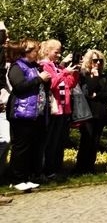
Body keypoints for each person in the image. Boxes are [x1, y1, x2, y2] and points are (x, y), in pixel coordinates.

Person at [6, 39, 50, 190]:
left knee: (32, 147)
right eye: (34, 50)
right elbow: (19, 86)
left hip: (35, 113)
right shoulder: (17, 67)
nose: (37, 53)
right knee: (21, 147)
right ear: (25, 52)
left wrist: (45, 79)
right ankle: (16, 179)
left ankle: (27, 176)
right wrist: (39, 79)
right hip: (21, 113)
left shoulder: (34, 66)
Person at [37, 39, 79, 180]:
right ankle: (46, 170)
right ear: (47, 51)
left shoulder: (56, 66)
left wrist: (73, 72)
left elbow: (69, 84)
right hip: (53, 109)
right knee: (49, 142)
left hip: (63, 108)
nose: (59, 55)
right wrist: (64, 72)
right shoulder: (44, 65)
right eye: (56, 52)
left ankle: (54, 168)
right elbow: (51, 84)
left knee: (58, 142)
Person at [75, 49, 107, 175]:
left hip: (99, 113)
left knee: (95, 141)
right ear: (89, 61)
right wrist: (95, 78)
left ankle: (90, 166)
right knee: (86, 139)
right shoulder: (83, 76)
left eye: (100, 61)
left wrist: (97, 95)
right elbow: (88, 91)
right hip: (87, 112)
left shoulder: (104, 77)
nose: (97, 63)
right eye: (95, 60)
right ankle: (81, 167)